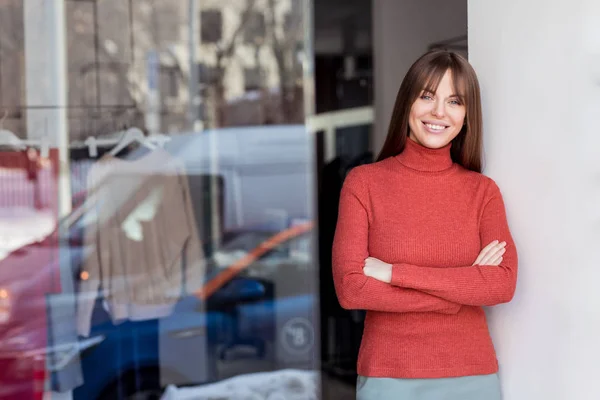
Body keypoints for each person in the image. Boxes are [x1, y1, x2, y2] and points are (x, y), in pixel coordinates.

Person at [331, 49, 518, 400]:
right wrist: (459, 292)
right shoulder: (363, 183)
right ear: (407, 103)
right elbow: (351, 289)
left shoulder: (482, 192)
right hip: (388, 377)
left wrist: (395, 273)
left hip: (471, 376)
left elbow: (502, 284)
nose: (438, 112)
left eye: (454, 101)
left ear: (467, 115)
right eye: (427, 96)